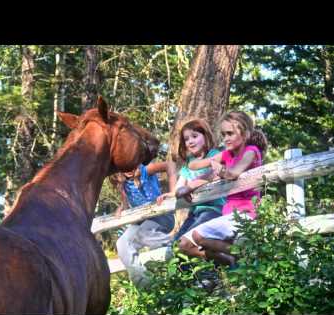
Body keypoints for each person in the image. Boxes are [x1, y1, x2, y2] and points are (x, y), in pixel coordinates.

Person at [178, 111, 268, 266]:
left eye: (230, 133)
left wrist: (220, 169)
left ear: (245, 134)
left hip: (246, 213)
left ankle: (246, 254)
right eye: (223, 134)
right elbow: (194, 166)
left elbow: (233, 173)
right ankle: (230, 259)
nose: (225, 138)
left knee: (198, 236)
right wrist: (188, 187)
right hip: (228, 215)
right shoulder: (227, 154)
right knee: (184, 244)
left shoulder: (251, 151)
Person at [157, 118, 226, 253]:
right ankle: (193, 273)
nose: (190, 141)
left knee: (190, 241)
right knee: (175, 247)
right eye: (187, 139)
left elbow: (215, 175)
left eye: (195, 136)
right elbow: (179, 187)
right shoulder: (189, 164)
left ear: (206, 137)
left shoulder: (215, 155)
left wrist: (192, 186)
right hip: (195, 212)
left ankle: (208, 273)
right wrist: (169, 194)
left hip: (214, 209)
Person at [111, 161, 177, 288]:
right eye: (124, 166)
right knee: (122, 244)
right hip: (141, 220)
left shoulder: (146, 170)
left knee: (143, 234)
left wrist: (173, 191)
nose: (128, 169)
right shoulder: (123, 181)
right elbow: (126, 203)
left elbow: (170, 165)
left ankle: (177, 247)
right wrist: (121, 206)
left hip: (161, 215)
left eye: (130, 164)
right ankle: (145, 285)